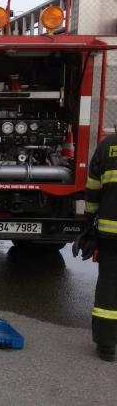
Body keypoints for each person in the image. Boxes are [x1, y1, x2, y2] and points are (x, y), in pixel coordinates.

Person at [77, 131, 117, 362]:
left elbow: (92, 190)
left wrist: (88, 224)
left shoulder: (107, 146)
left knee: (108, 288)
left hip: (110, 235)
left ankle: (107, 347)